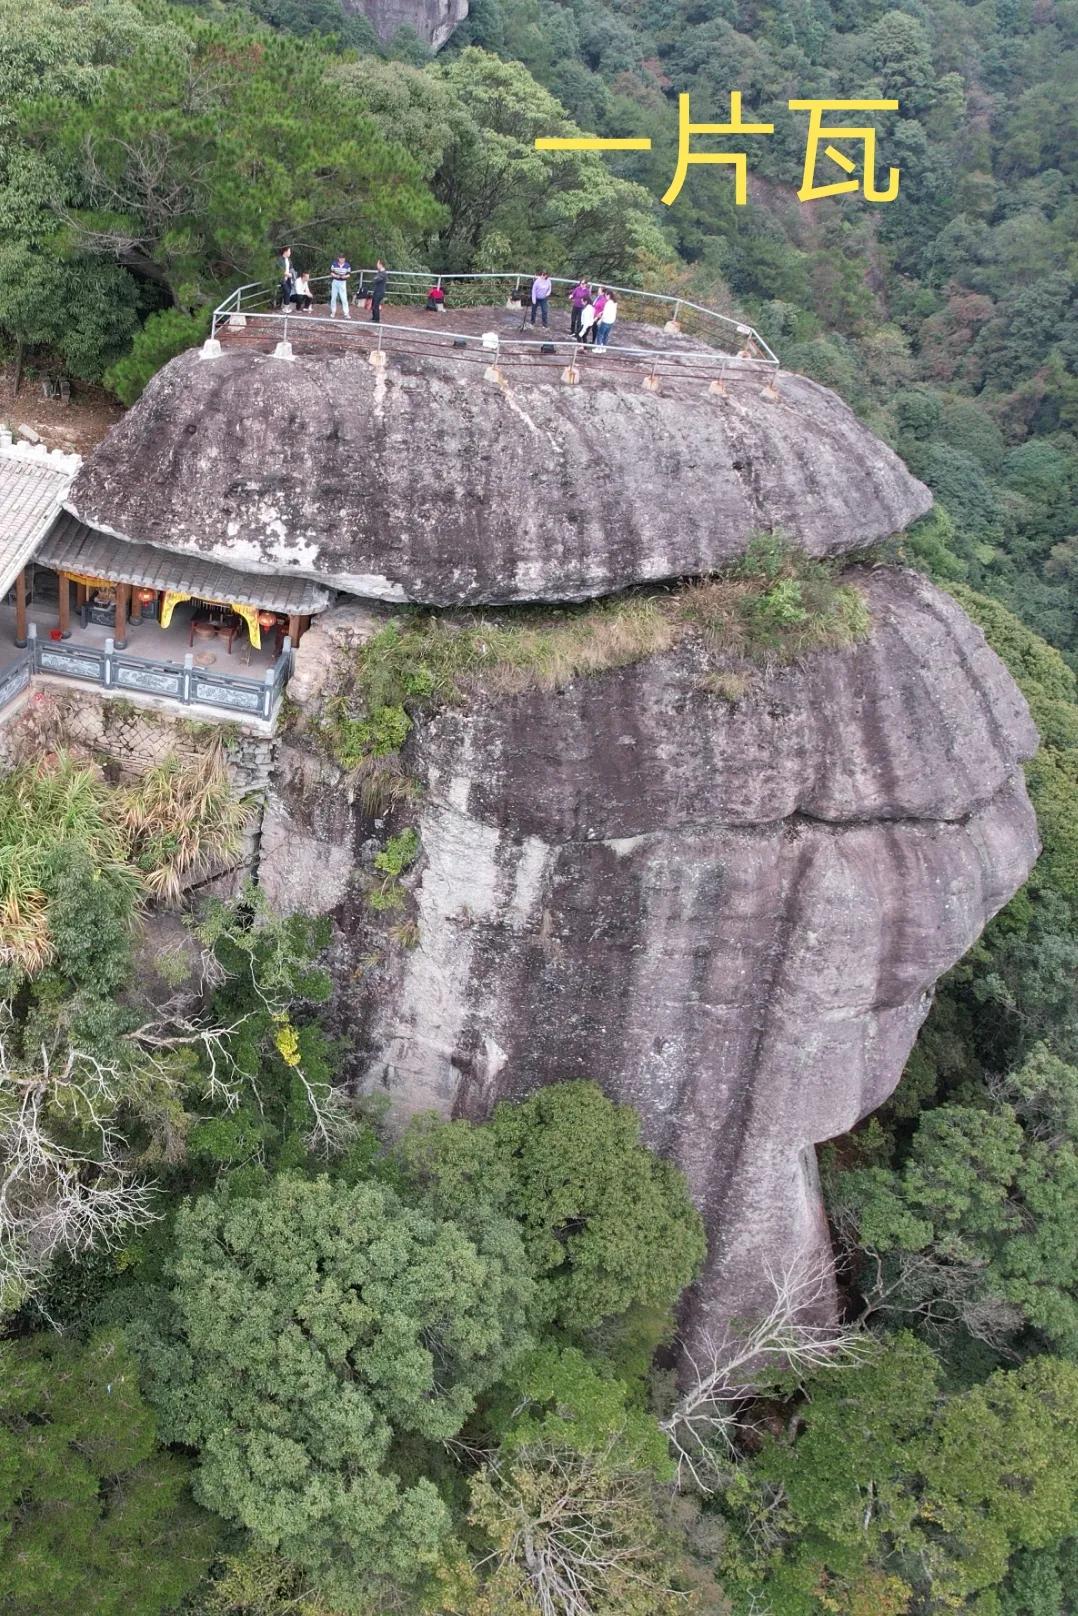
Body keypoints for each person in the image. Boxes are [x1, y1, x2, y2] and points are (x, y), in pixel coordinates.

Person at [329, 254, 351, 319]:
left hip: (343, 282)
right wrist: (336, 276)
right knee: (333, 297)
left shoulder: (347, 265)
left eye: (343, 258)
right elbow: (331, 272)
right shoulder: (334, 264)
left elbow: (349, 274)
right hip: (335, 281)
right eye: (341, 258)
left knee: (344, 298)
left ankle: (346, 313)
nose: (342, 260)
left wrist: (344, 276)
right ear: (338, 258)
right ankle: (333, 311)